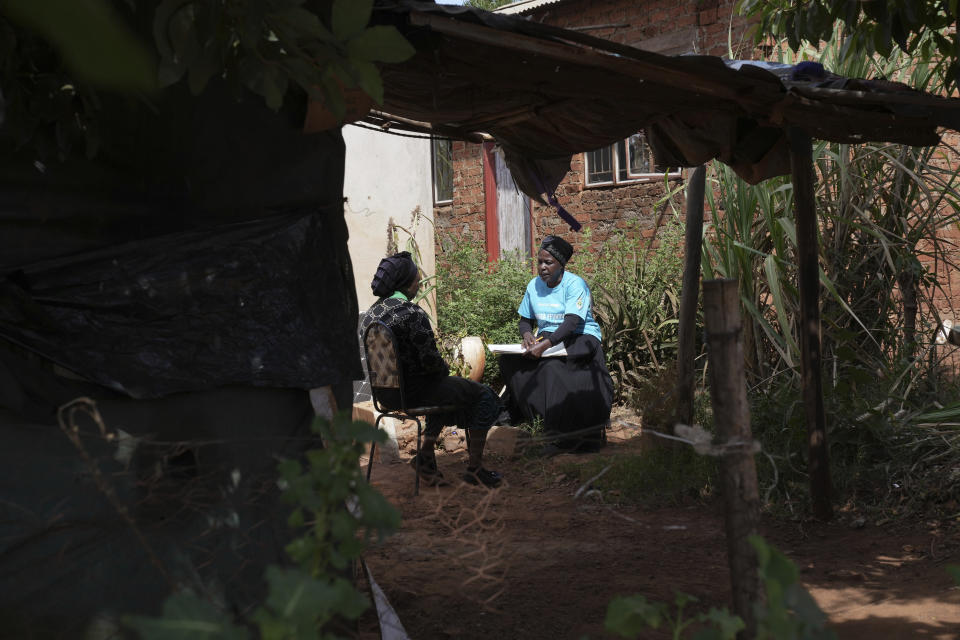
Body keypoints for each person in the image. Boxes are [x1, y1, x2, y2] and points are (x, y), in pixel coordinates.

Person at [360, 251, 502, 488]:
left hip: (385, 395)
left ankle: (425, 457)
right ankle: (475, 470)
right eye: (417, 280)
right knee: (484, 395)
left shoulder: (371, 315)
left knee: (444, 390)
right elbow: (431, 364)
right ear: (405, 283)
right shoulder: (411, 313)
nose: (419, 283)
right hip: (414, 393)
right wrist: (447, 372)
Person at [500, 236, 613, 453]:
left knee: (551, 369)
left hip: (580, 336)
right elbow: (525, 320)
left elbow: (572, 322)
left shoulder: (575, 284)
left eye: (548, 263)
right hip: (547, 338)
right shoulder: (533, 286)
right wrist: (526, 335)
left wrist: (545, 346)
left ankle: (561, 434)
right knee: (509, 362)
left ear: (561, 265)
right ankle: (535, 417)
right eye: (540, 262)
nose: (542, 267)